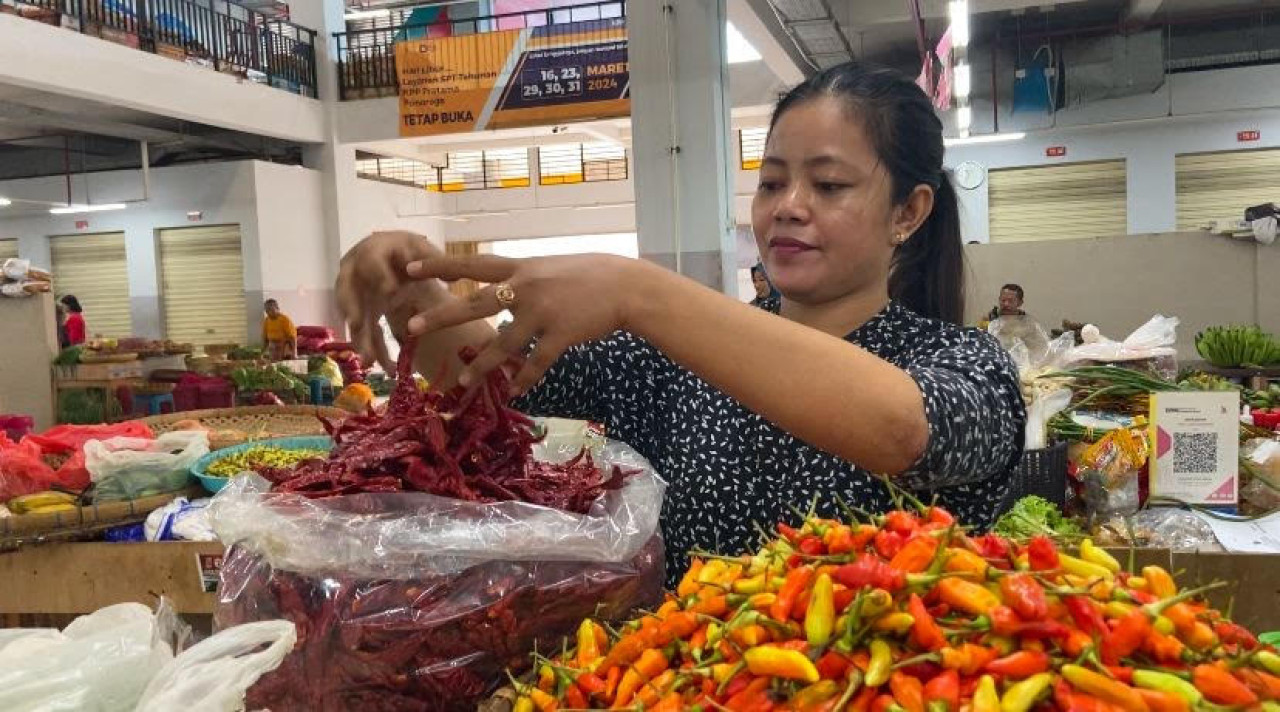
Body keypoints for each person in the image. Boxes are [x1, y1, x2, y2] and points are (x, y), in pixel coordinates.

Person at [335, 62, 1025, 577]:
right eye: (772, 181)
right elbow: (501, 376)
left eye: (830, 184)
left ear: (909, 212)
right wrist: (413, 289)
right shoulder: (678, 357)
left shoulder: (968, 364)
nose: (788, 205)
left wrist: (638, 290)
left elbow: (902, 430)